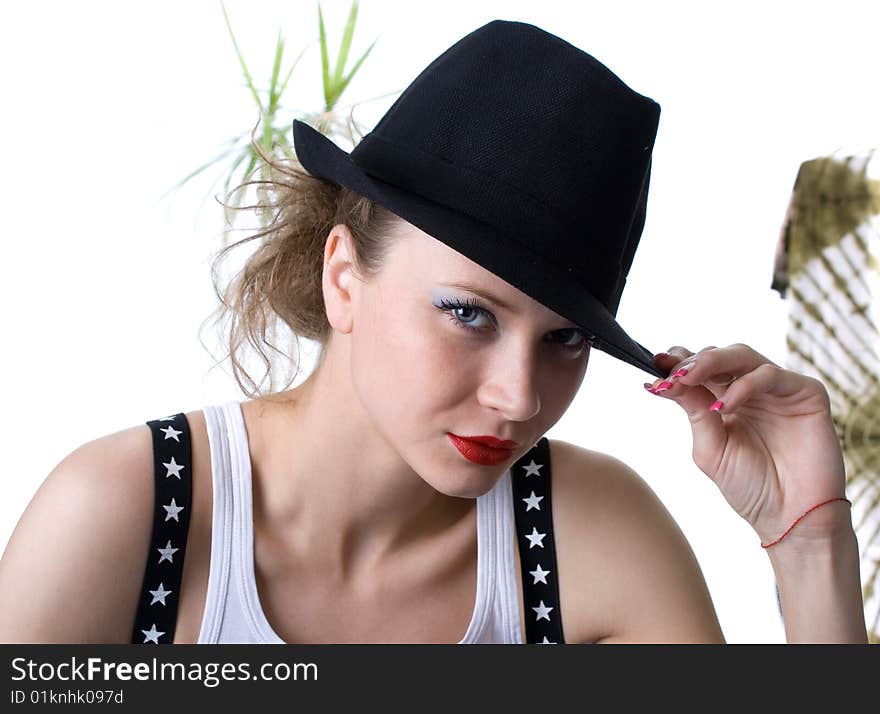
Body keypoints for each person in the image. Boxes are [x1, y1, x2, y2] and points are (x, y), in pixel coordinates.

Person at [0, 20, 867, 644]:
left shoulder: (587, 541)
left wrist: (809, 545)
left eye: (564, 340)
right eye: (469, 313)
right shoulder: (132, 518)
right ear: (345, 278)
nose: (519, 396)